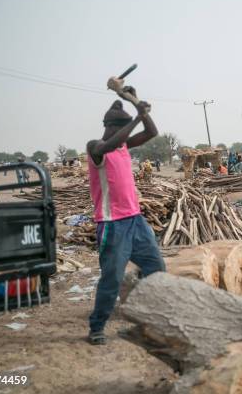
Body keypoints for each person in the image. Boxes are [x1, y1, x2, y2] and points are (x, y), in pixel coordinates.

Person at [86, 91, 165, 345]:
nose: (126, 136)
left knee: (156, 268)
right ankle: (97, 326)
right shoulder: (96, 147)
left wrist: (135, 104)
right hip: (112, 224)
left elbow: (151, 132)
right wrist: (136, 117)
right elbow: (110, 144)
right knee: (112, 278)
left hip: (135, 220)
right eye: (122, 130)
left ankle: (145, 310)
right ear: (109, 127)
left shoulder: (122, 146)